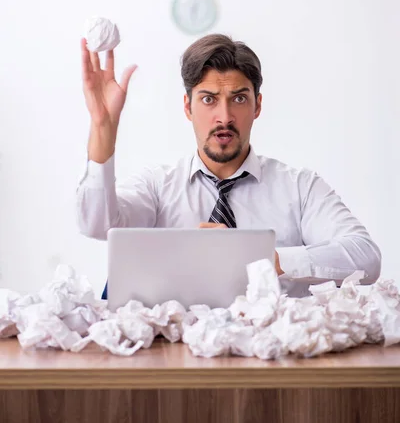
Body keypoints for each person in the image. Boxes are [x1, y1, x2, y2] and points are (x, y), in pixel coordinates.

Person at [77, 33, 381, 298]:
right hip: (180, 356)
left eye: (238, 99)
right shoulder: (157, 186)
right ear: (188, 107)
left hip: (276, 356)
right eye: (209, 99)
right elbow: (96, 224)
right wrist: (102, 126)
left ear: (257, 105)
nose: (224, 117)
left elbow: (366, 258)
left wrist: (264, 259)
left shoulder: (300, 187)